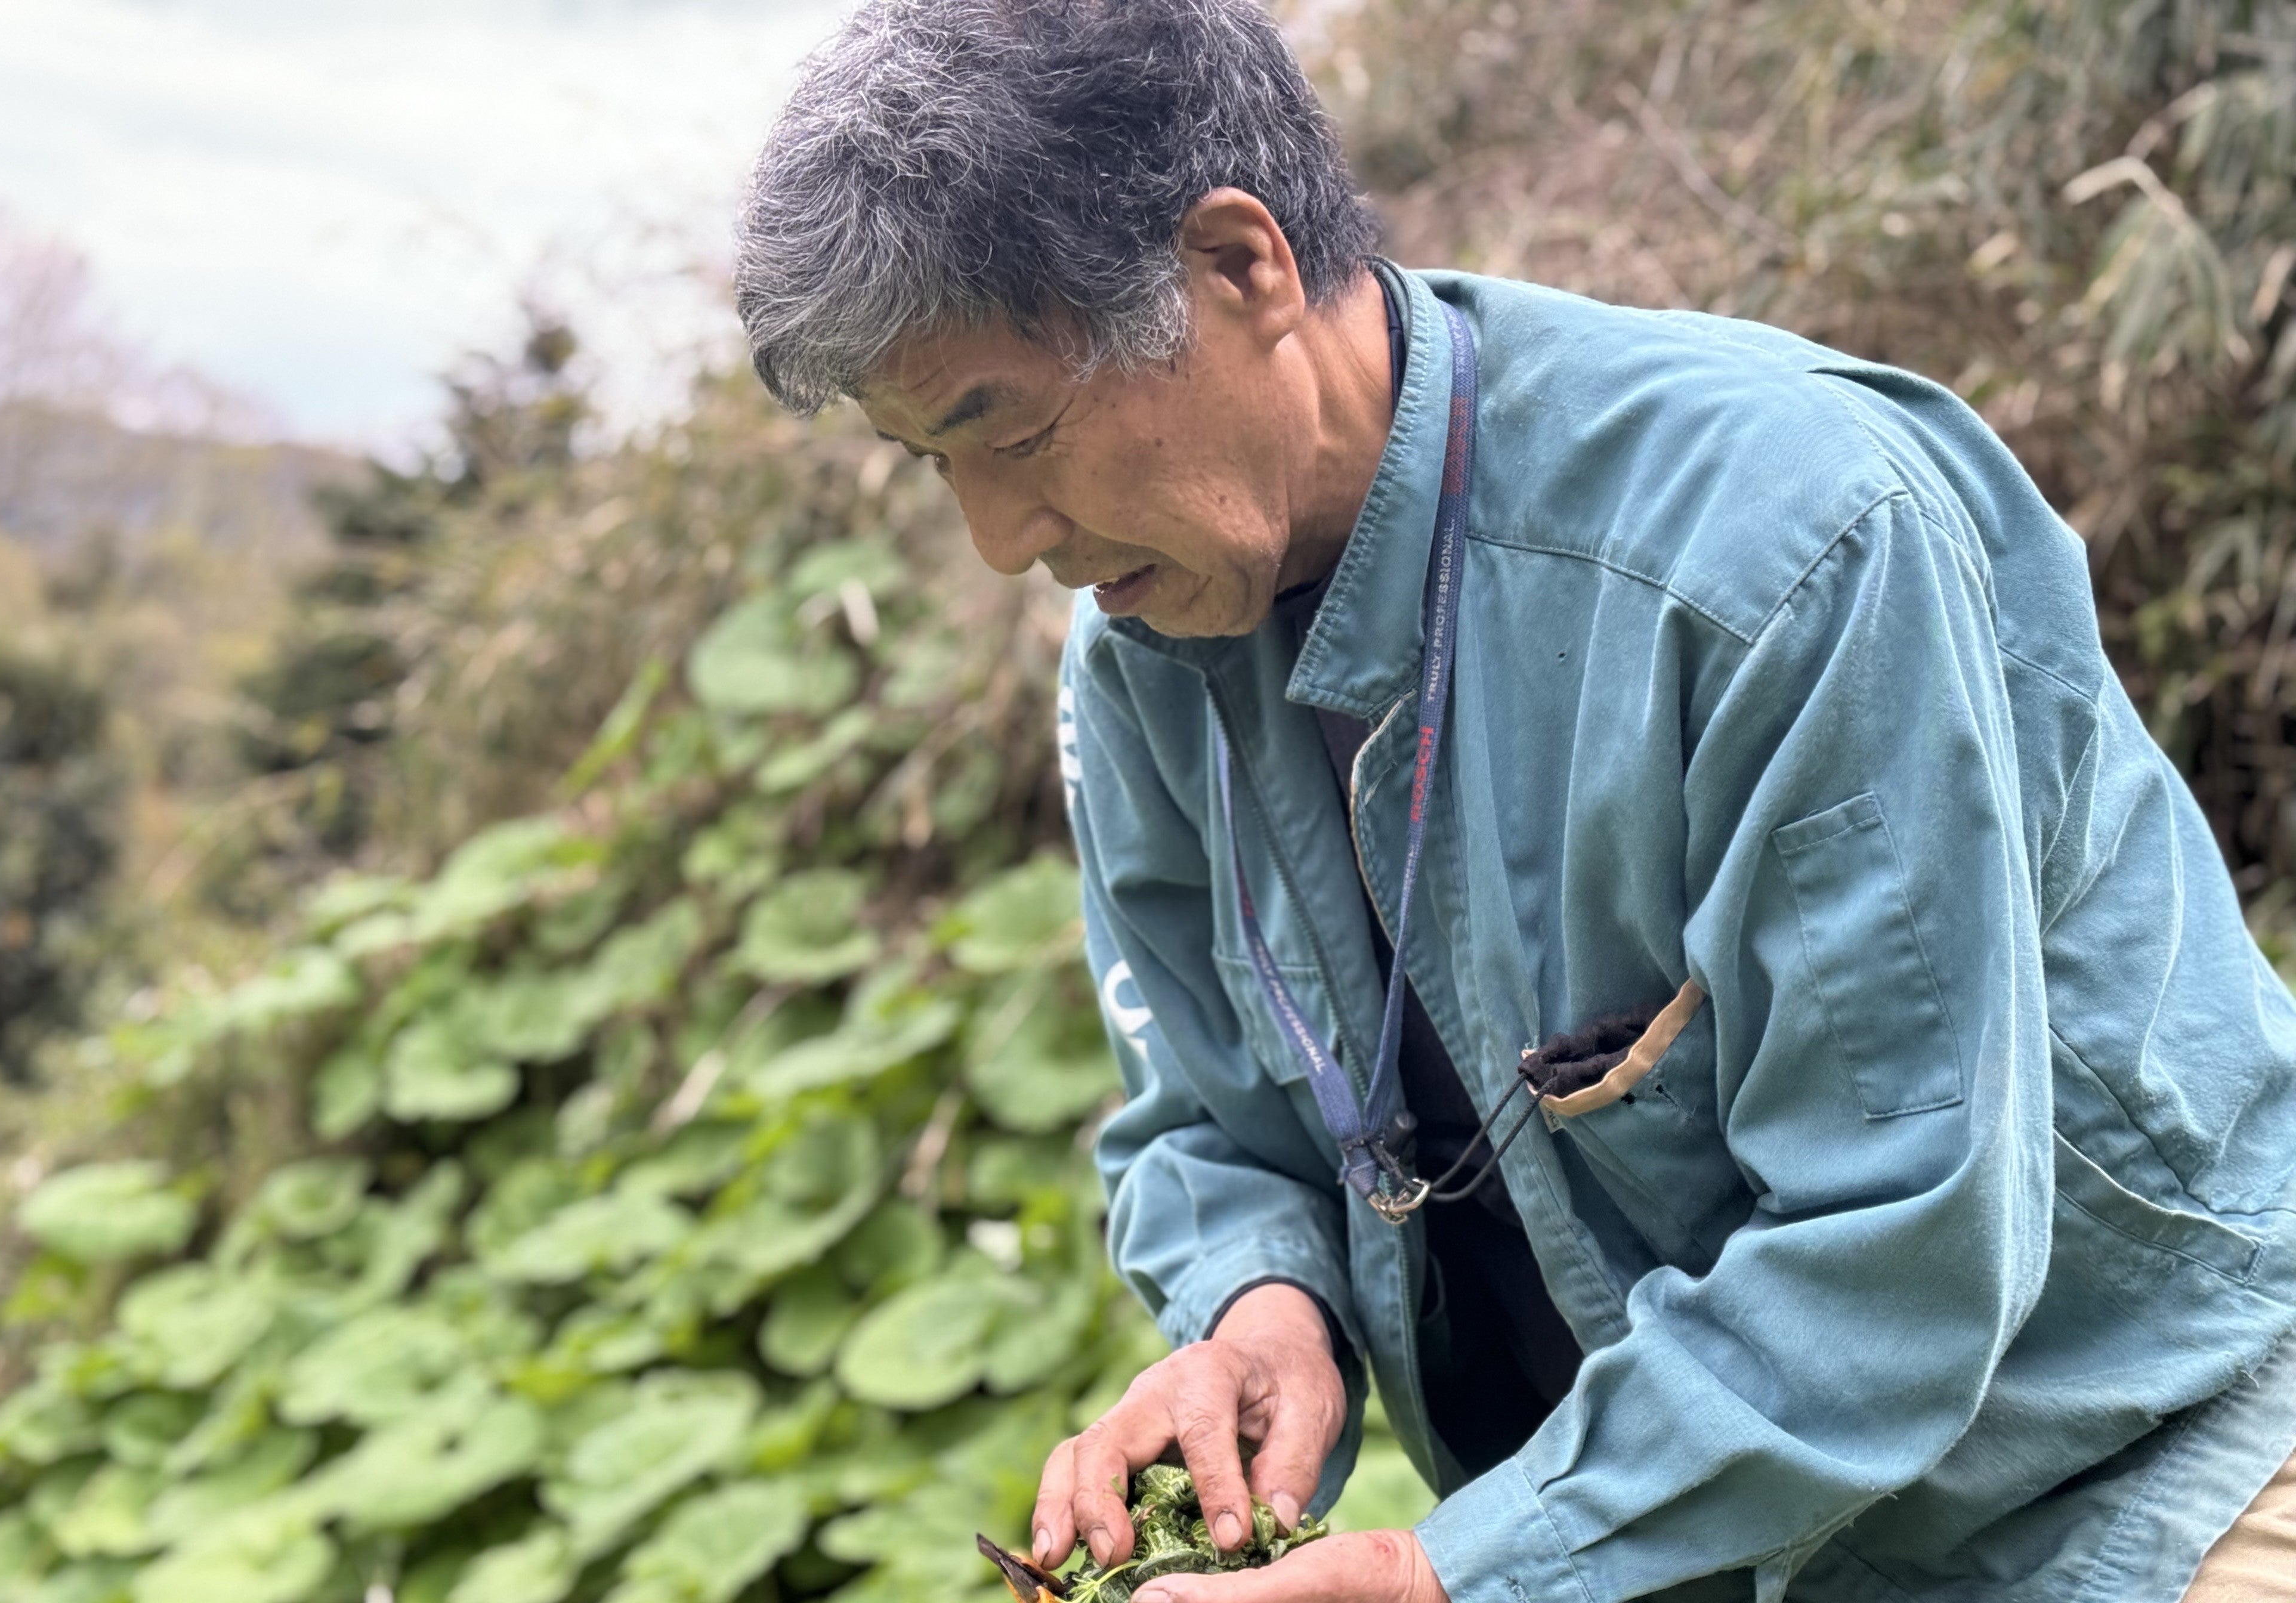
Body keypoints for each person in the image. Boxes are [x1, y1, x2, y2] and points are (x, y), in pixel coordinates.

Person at [731, 2, 2296, 1598]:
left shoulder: (1777, 552)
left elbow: (1900, 1248)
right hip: (1659, 1551)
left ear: (1240, 266)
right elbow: (1208, 1119)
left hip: (2144, 1471)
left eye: (1014, 429)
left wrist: (1439, 1575)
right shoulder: (1148, 639)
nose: (1002, 539)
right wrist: (1265, 1323)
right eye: (936, 463)